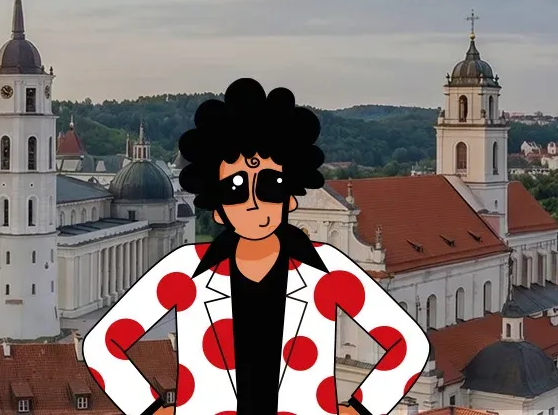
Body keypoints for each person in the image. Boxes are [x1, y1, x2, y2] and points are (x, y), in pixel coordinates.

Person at [80, 79, 429, 415]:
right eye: (234, 189)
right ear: (217, 208)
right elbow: (102, 345)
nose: (252, 201)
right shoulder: (185, 270)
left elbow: (409, 345)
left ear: (290, 198)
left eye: (270, 185)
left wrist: (360, 408)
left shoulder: (327, 269)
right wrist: (152, 408)